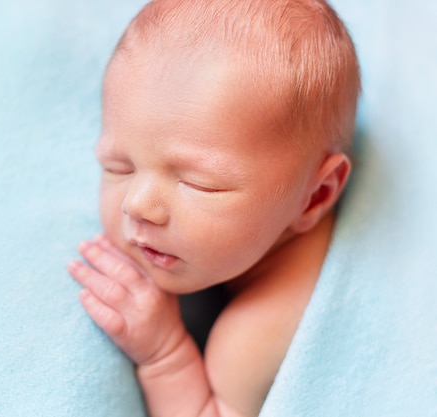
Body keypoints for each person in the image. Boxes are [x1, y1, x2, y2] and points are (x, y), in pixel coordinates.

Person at [68, 0, 361, 415]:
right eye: (118, 166)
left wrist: (164, 354)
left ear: (314, 196)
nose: (137, 205)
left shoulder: (256, 332)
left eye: (198, 184)